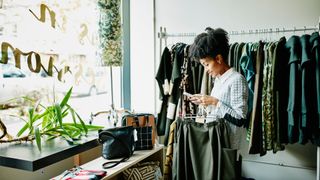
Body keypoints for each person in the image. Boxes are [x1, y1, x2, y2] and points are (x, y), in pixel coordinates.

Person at [188, 27, 249, 150]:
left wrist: (214, 101)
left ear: (219, 59)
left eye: (206, 65)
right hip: (215, 143)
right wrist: (205, 101)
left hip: (227, 147)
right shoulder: (219, 79)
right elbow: (218, 110)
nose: (206, 70)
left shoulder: (236, 79)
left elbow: (240, 118)